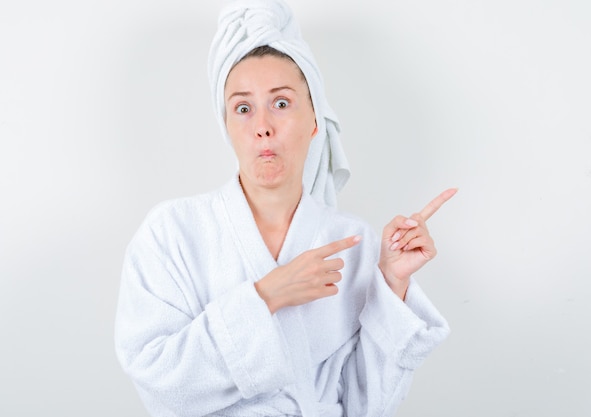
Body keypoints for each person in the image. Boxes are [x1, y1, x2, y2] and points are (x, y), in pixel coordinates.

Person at [114, 1, 457, 416]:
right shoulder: (171, 233)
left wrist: (392, 283)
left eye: (281, 103)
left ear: (315, 119)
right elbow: (159, 385)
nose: (262, 125)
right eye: (243, 108)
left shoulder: (353, 243)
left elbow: (370, 405)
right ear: (227, 127)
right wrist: (265, 296)